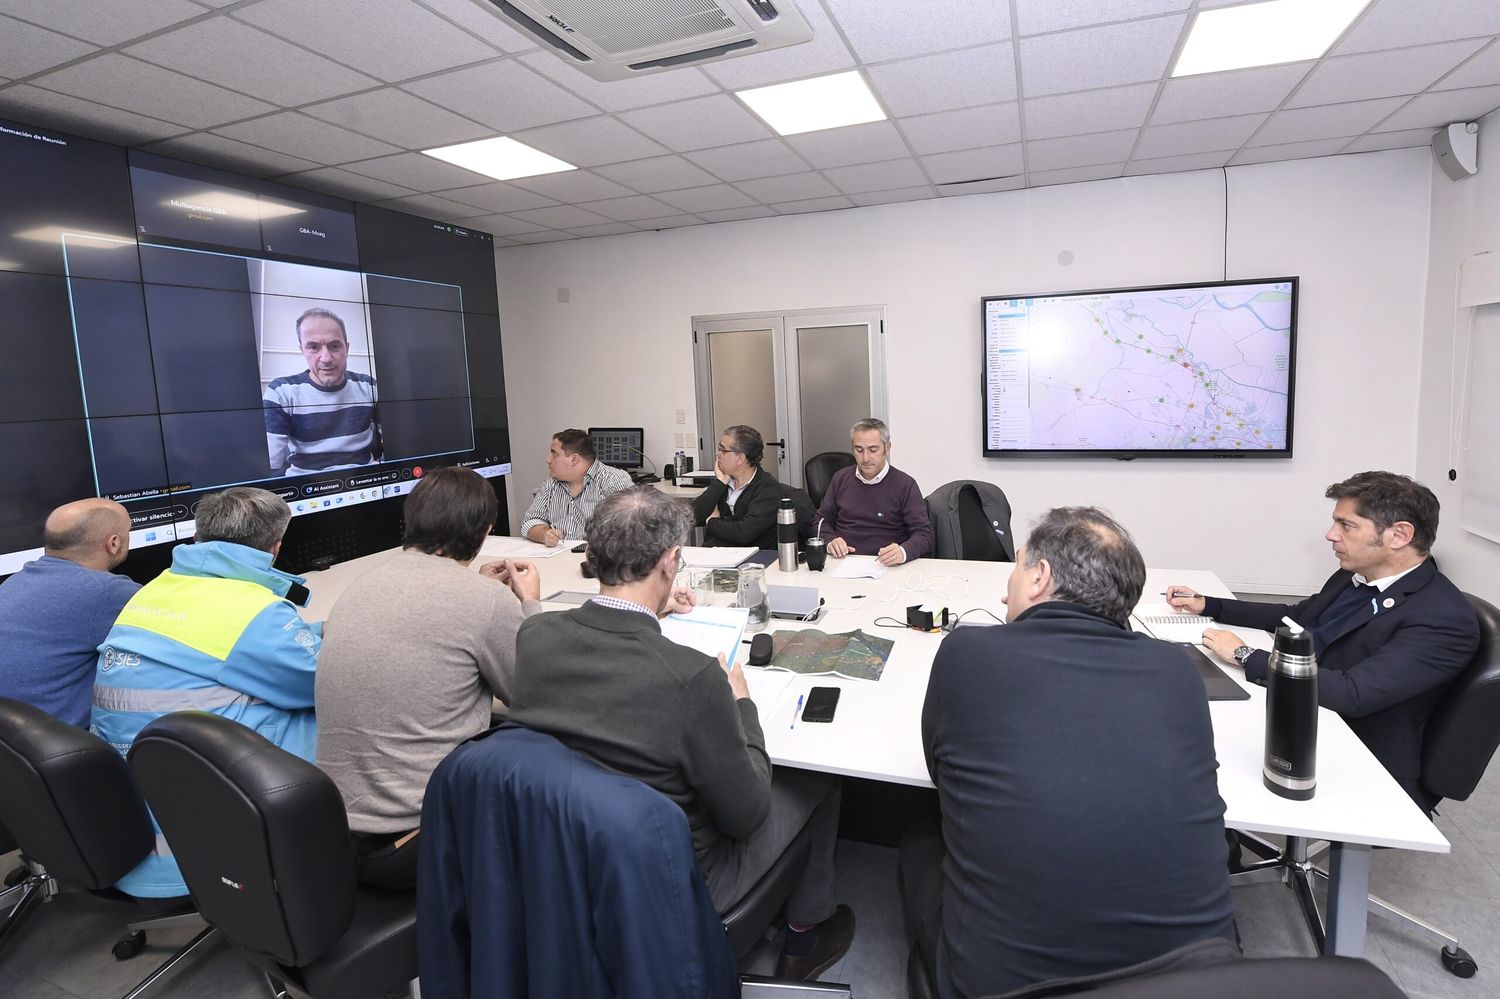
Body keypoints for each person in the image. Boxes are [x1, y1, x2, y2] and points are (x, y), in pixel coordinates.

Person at [508, 487, 855, 980]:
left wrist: (655, 610)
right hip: (680, 879)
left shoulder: (536, 637)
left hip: (567, 862)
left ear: (593, 554)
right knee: (822, 778)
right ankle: (804, 938)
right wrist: (743, 704)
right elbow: (746, 813)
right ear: (671, 561)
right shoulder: (693, 678)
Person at [906, 507, 1236, 998]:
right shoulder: (1177, 670)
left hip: (1007, 985)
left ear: (1039, 578)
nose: (1006, 590)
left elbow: (940, 772)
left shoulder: (967, 652)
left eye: (1015, 570)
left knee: (915, 834)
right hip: (1196, 978)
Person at [1168, 471, 1480, 812]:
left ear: (1400, 535)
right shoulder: (1356, 575)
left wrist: (1245, 655)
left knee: (1192, 749)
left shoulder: (1442, 618)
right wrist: (1208, 605)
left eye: (1346, 526)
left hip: (1356, 756)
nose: (1331, 535)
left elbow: (1353, 694)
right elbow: (1294, 616)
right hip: (1305, 712)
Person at [316, 467, 543, 888]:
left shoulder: (363, 584)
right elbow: (535, 694)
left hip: (333, 833)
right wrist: (529, 604)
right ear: (486, 532)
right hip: (410, 843)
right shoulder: (486, 601)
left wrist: (475, 589)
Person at [92, 487, 321, 898]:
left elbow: (230, 651)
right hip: (218, 853)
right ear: (275, 546)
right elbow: (323, 680)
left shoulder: (154, 591)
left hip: (136, 830)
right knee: (346, 709)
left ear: (201, 535)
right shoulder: (250, 611)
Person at [0, 499, 140, 727]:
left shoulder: (14, 581)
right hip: (63, 748)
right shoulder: (107, 592)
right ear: (113, 543)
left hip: (14, 747)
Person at [262, 307, 382, 476]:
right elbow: (269, 465)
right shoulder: (281, 393)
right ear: (302, 350)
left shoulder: (368, 386)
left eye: (334, 346)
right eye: (313, 347)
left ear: (346, 348)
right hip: (306, 488)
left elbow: (397, 446)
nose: (326, 358)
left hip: (366, 482)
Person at [818, 418, 933, 565]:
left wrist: (902, 552)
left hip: (887, 565)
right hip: (843, 562)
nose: (865, 458)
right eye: (859, 450)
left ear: (887, 448)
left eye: (873, 450)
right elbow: (821, 520)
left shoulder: (905, 485)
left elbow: (925, 534)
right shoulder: (840, 478)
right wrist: (830, 541)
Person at [692, 425, 783, 550]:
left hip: (750, 562)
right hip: (714, 556)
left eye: (723, 450)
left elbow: (744, 533)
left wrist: (712, 522)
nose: (718, 455)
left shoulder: (767, 489)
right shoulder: (723, 483)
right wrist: (719, 484)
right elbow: (692, 516)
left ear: (740, 458)